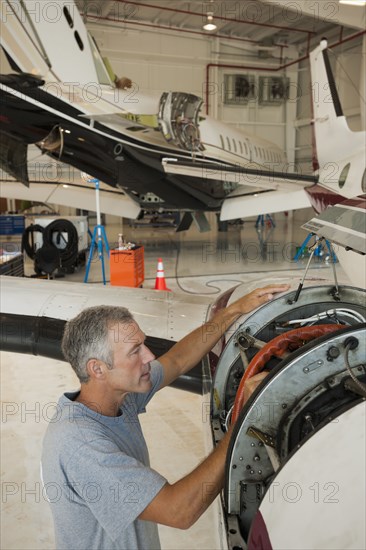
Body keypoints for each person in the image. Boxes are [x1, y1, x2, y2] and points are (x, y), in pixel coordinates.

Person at [41, 284, 289, 550]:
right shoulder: (80, 445)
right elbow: (178, 511)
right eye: (135, 351)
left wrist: (234, 310)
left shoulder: (119, 396)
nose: (149, 356)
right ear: (98, 368)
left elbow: (179, 360)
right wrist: (244, 415)